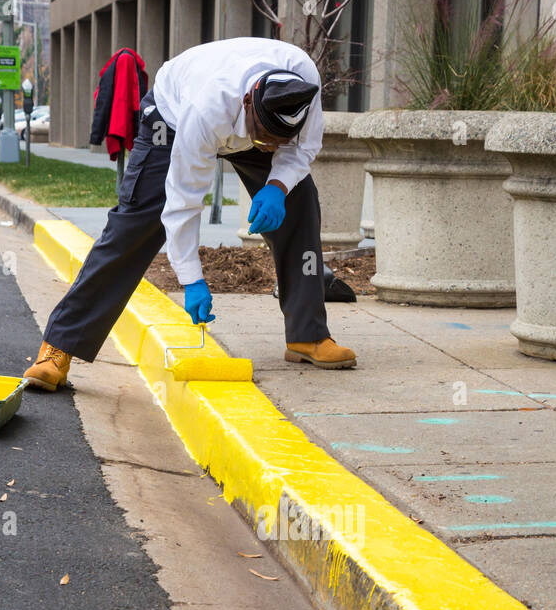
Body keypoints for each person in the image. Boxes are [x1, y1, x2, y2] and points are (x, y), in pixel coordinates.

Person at [24, 37, 356, 391]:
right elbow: (184, 202)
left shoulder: (302, 85)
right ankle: (59, 347)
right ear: (247, 103)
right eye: (265, 140)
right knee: (135, 224)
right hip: (169, 117)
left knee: (300, 203)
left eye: (278, 142)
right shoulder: (205, 109)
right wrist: (192, 280)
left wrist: (277, 187)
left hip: (255, 117)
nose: (270, 150)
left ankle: (308, 335)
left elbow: (305, 147)